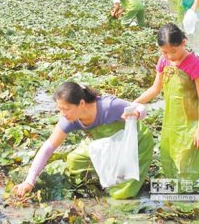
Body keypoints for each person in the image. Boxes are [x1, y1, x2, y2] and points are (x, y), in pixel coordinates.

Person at [13, 82, 154, 199]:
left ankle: (125, 176)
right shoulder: (68, 120)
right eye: (60, 109)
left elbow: (141, 107)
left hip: (134, 142)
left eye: (66, 109)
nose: (63, 114)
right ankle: (107, 176)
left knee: (122, 194)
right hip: (107, 145)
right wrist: (29, 181)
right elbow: (48, 147)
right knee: (75, 160)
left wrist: (136, 113)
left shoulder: (108, 106)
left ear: (81, 103)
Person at [125, 23, 199, 184]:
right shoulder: (163, 62)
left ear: (183, 42)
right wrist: (132, 104)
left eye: (174, 51)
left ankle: (187, 195)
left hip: (193, 120)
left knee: (187, 159)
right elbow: (155, 89)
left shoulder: (195, 65)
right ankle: (174, 189)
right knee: (171, 153)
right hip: (172, 119)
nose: (170, 56)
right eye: (165, 52)